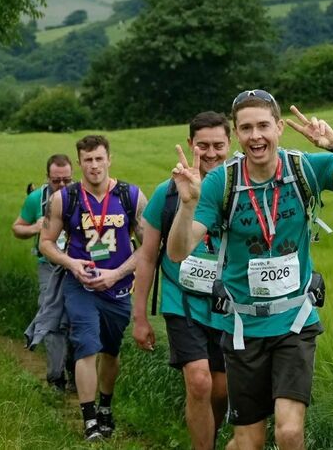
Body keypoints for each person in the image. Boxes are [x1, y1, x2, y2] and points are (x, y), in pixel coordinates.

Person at [167, 90, 333, 450]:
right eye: (246, 128)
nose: (256, 135)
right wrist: (188, 205)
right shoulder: (220, 183)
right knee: (249, 441)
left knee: (289, 432)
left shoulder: (303, 169)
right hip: (243, 328)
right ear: (237, 135)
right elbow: (178, 252)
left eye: (263, 126)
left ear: (279, 128)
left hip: (294, 322)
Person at [132, 112, 230, 450]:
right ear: (190, 145)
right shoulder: (168, 193)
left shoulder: (240, 189)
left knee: (221, 389)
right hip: (181, 299)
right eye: (203, 146)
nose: (212, 153)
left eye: (219, 145)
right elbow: (146, 256)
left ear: (230, 145)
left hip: (228, 303)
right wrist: (140, 316)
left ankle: (210, 437)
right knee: (200, 382)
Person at [39, 135, 147, 441]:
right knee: (87, 345)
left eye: (99, 158)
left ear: (109, 159)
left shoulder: (131, 196)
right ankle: (89, 421)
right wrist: (72, 264)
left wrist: (117, 273)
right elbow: (45, 243)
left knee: (110, 352)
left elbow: (149, 247)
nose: (94, 165)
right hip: (80, 286)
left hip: (119, 287)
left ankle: (105, 407)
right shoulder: (65, 198)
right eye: (88, 160)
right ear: (79, 163)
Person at [12, 154, 74, 391]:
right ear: (47, 177)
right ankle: (56, 377)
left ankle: (76, 373)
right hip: (48, 266)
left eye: (67, 180)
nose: (62, 186)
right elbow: (17, 228)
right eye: (56, 181)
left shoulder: (81, 196)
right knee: (52, 317)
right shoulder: (36, 199)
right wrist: (34, 228)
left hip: (76, 265)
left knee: (76, 319)